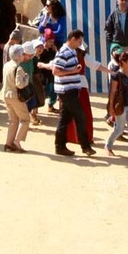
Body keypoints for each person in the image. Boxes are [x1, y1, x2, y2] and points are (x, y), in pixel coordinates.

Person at [44, 29, 98, 158]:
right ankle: (85, 146)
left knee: (65, 119)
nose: (80, 44)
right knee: (80, 117)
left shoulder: (71, 51)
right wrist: (73, 71)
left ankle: (60, 146)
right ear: (73, 39)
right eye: (79, 41)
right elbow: (56, 71)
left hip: (70, 89)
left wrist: (74, 70)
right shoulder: (64, 52)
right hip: (66, 90)